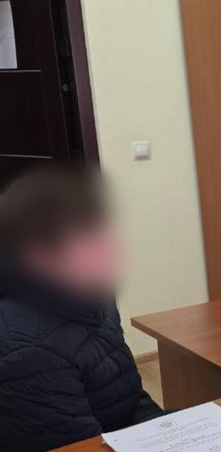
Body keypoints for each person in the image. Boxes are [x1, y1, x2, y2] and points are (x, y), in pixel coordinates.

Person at [0, 168, 163, 451]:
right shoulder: (25, 349)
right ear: (39, 256)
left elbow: (129, 399)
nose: (111, 249)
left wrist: (173, 429)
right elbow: (78, 446)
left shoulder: (93, 297)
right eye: (87, 241)